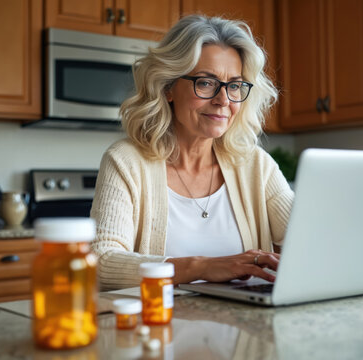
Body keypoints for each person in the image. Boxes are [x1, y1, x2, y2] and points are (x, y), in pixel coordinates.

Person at [90, 15, 294, 290]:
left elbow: (309, 239)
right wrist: (202, 267)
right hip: (157, 326)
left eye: (234, 85)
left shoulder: (256, 165)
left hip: (244, 326)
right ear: (168, 87)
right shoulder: (126, 161)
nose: (223, 100)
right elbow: (102, 263)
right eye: (206, 83)